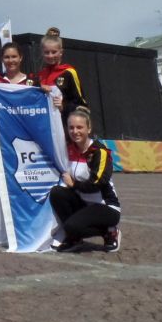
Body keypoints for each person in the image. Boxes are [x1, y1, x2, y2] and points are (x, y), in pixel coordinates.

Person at [49, 107, 121, 253]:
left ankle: (110, 231)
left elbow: (97, 184)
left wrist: (74, 184)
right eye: (71, 128)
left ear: (89, 129)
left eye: (79, 127)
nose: (75, 131)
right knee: (57, 193)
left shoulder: (99, 152)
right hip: (84, 204)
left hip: (105, 207)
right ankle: (74, 238)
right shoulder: (69, 149)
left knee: (71, 226)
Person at [37, 28, 86, 126]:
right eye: (46, 52)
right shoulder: (39, 75)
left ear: (61, 52)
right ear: (42, 53)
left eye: (54, 52)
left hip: (64, 126)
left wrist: (64, 106)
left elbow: (81, 104)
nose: (50, 56)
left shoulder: (69, 72)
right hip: (43, 127)